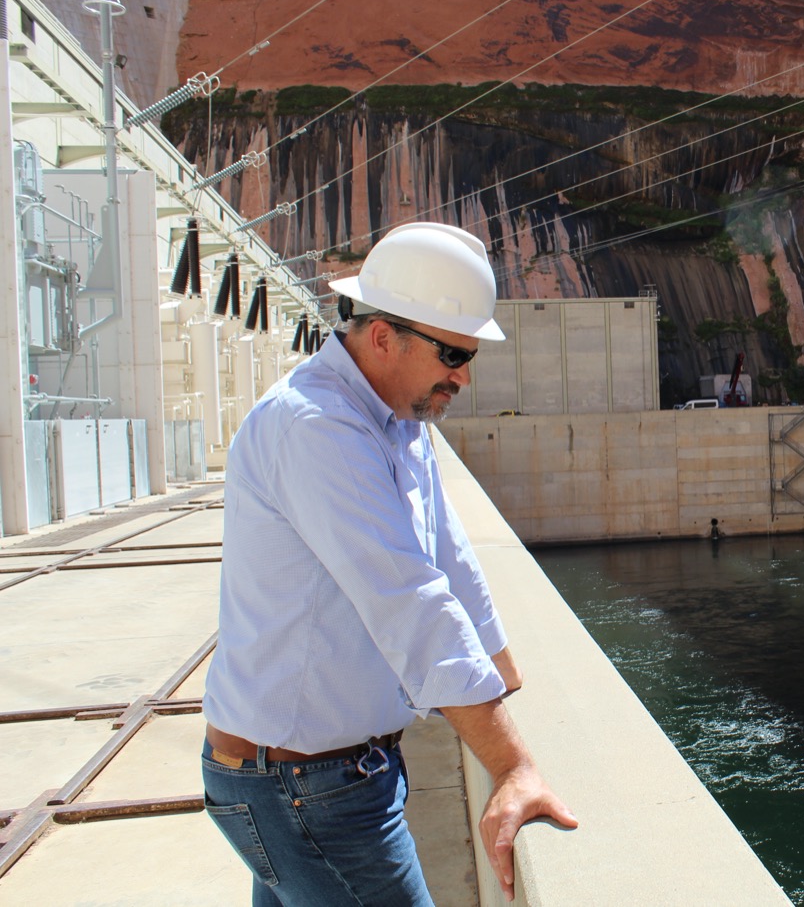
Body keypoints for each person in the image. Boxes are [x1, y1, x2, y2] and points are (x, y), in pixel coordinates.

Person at [201, 222, 576, 905]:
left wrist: (500, 668)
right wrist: (513, 764)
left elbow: (448, 553)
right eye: (453, 352)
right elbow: (410, 599)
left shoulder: (396, 416)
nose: (463, 374)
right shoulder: (318, 428)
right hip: (301, 789)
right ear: (382, 337)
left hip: (325, 775)